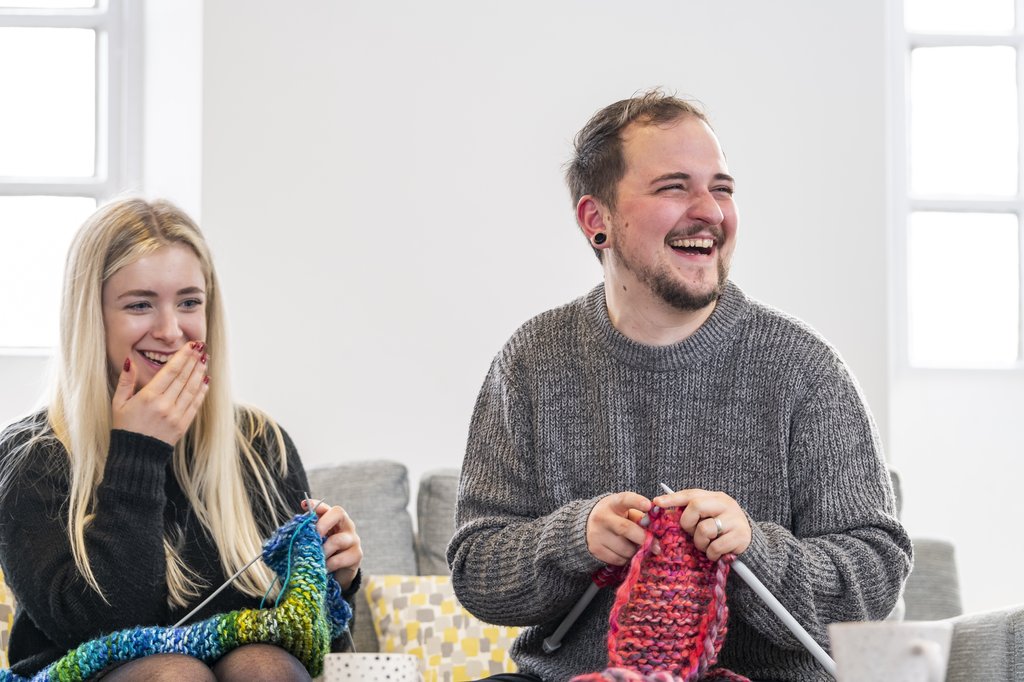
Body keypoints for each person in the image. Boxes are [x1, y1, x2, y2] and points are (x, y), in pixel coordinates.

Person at [447, 90, 913, 681]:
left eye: (721, 187)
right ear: (598, 221)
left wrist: (755, 551)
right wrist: (574, 540)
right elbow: (475, 571)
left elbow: (876, 574)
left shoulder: (805, 368)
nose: (711, 211)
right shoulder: (531, 362)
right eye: (674, 187)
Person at [0, 198, 363, 681]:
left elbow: (316, 648)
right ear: (91, 315)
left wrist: (334, 580)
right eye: (140, 305)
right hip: (76, 672)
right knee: (175, 674)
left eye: (189, 302)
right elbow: (104, 631)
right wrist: (138, 452)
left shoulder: (260, 444)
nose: (171, 331)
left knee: (268, 665)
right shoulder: (31, 457)